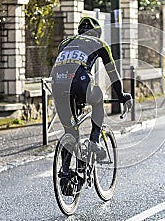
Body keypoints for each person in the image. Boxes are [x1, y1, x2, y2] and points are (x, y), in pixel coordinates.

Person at [50, 17, 132, 190]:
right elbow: (112, 72)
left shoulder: (65, 43)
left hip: (57, 84)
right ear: (96, 33)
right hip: (80, 81)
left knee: (70, 132)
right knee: (98, 98)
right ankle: (95, 140)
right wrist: (122, 95)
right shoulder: (100, 43)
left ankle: (66, 174)